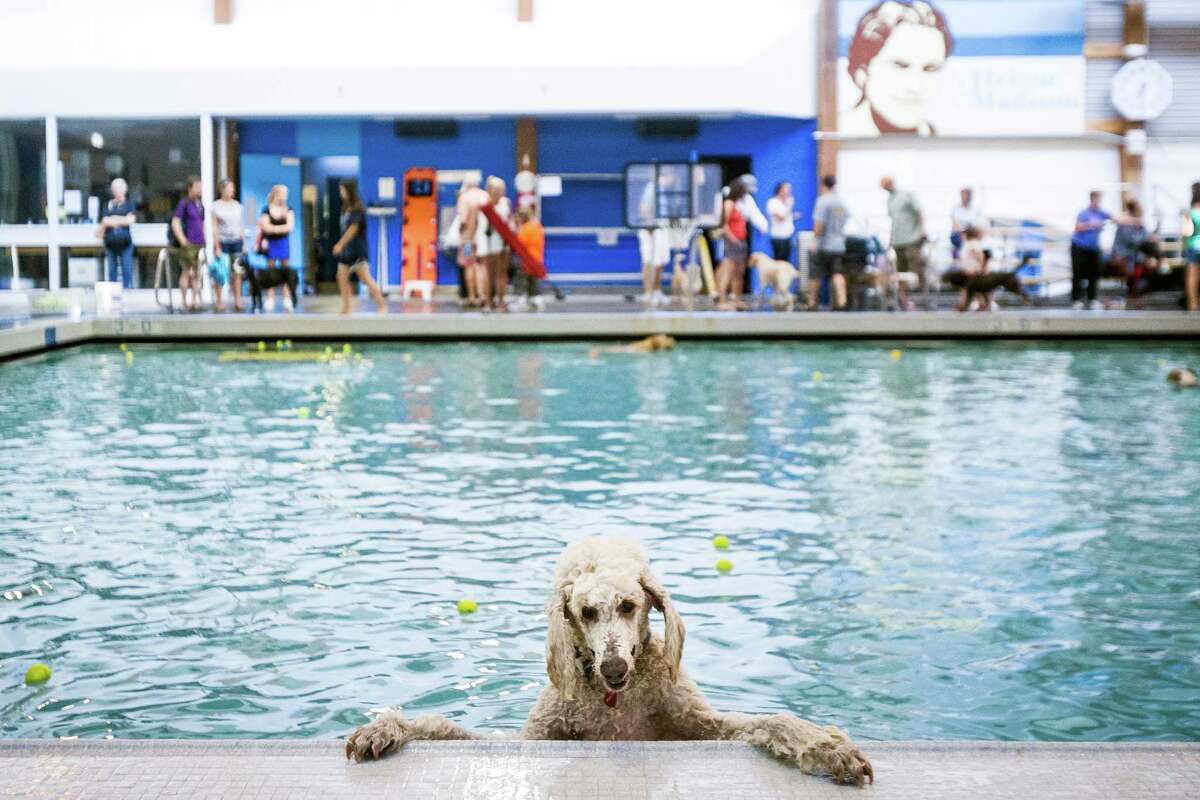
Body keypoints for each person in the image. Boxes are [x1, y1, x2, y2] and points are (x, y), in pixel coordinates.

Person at [840, 1, 954, 137]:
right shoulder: (833, 135)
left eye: (929, 69)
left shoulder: (947, 142)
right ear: (862, 72)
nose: (915, 86)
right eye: (900, 66)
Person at [332, 180, 387, 315]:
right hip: (347, 251)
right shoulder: (346, 207)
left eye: (342, 190)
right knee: (341, 276)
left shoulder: (357, 208)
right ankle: (347, 307)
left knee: (365, 278)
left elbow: (353, 229)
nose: (341, 193)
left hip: (357, 250)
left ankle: (382, 305)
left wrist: (340, 244)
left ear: (348, 190)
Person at [881, 175, 926, 309]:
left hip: (912, 240)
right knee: (900, 272)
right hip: (897, 241)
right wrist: (890, 240)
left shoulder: (907, 195)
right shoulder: (890, 199)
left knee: (917, 268)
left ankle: (923, 298)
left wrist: (922, 232)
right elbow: (894, 221)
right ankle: (903, 300)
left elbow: (919, 213)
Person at [808, 175, 849, 311]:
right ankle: (842, 301)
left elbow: (819, 224)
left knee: (815, 274)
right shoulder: (841, 202)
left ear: (823, 185)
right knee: (837, 273)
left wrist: (814, 239)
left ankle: (812, 302)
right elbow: (845, 219)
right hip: (839, 244)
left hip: (824, 245)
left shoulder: (823, 201)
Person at [1111, 199, 1159, 305]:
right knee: (1134, 265)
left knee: (1147, 262)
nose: (1141, 212)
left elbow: (1145, 236)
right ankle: (1132, 292)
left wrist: (1151, 236)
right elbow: (1133, 240)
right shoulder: (1125, 223)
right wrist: (1148, 237)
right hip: (1123, 254)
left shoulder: (1139, 223)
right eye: (1139, 209)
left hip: (1134, 254)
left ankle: (1136, 291)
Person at [257, 185, 296, 312]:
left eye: (286, 193)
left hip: (283, 242)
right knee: (271, 269)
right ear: (276, 194)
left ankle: (286, 297)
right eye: (283, 193)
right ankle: (270, 297)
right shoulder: (266, 209)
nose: (285, 196)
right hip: (271, 243)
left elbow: (290, 227)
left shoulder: (288, 209)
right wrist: (278, 228)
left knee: (285, 269)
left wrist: (274, 228)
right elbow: (265, 227)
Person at [475, 176, 512, 311]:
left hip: (502, 242)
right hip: (486, 241)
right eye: (498, 189)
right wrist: (473, 242)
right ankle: (488, 302)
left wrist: (509, 240)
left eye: (503, 189)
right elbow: (475, 223)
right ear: (490, 190)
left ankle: (501, 300)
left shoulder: (506, 203)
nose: (501, 192)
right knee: (489, 273)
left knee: (501, 272)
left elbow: (509, 221)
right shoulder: (482, 203)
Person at [1070, 190, 1111, 310]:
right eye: (1097, 199)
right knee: (1078, 274)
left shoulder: (1101, 213)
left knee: (1094, 274)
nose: (1099, 202)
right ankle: (1076, 299)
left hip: (1094, 248)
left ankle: (1092, 299)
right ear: (1092, 199)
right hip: (1079, 247)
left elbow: (1116, 218)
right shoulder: (1084, 213)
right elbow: (1077, 227)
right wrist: (1092, 225)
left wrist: (1135, 220)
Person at [170, 176, 205, 311]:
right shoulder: (184, 203)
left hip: (199, 243)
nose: (200, 189)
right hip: (188, 244)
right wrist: (183, 240)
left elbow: (201, 224)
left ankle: (195, 300)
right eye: (197, 186)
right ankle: (184, 301)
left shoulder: (200, 204)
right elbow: (175, 222)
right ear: (190, 188)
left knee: (197, 273)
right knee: (187, 272)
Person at [456, 175, 490, 309]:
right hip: (484, 240)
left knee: (469, 265)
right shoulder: (486, 196)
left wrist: (460, 232)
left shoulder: (464, 198)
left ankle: (472, 296)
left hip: (468, 240)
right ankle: (483, 295)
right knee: (482, 266)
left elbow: (463, 220)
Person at [637, 173, 671, 307]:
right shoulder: (651, 188)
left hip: (661, 229)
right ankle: (648, 292)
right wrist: (649, 226)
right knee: (649, 261)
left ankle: (656, 290)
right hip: (651, 229)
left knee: (660, 261)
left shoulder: (663, 191)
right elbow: (644, 208)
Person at [211, 179, 244, 312]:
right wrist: (217, 246)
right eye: (229, 188)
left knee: (237, 272)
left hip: (236, 242)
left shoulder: (238, 205)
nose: (232, 191)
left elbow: (241, 225)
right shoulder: (216, 206)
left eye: (233, 188)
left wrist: (243, 244)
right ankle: (219, 301)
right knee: (221, 273)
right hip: (223, 243)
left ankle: (237, 300)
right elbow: (215, 227)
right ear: (222, 190)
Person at [98, 178, 136, 288]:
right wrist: (122, 219)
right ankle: (113, 292)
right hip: (110, 242)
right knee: (112, 269)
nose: (118, 191)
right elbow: (105, 221)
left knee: (126, 267)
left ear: (125, 189)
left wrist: (113, 218)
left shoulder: (129, 204)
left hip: (125, 242)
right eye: (115, 188)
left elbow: (131, 220)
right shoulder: (108, 205)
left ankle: (127, 290)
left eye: (120, 188)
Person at [515, 205, 546, 312]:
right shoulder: (537, 226)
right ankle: (536, 300)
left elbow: (519, 243)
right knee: (534, 281)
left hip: (526, 260)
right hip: (537, 259)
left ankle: (522, 300)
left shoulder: (526, 228)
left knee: (522, 280)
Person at [766, 181, 797, 264]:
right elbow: (781, 218)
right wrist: (789, 206)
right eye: (787, 188)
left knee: (787, 262)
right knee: (780, 263)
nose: (789, 191)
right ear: (780, 189)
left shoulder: (785, 203)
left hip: (788, 236)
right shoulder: (772, 202)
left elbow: (786, 217)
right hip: (779, 238)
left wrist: (793, 216)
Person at [950, 188, 981, 261]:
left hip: (972, 234)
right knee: (965, 243)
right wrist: (964, 233)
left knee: (976, 244)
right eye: (963, 195)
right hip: (959, 234)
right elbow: (955, 225)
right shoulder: (956, 209)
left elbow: (977, 225)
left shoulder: (975, 210)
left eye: (966, 195)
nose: (964, 197)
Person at [1185, 182, 1200, 312]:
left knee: (1192, 276)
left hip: (1193, 246)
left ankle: (1193, 304)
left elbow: (1187, 232)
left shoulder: (1191, 212)